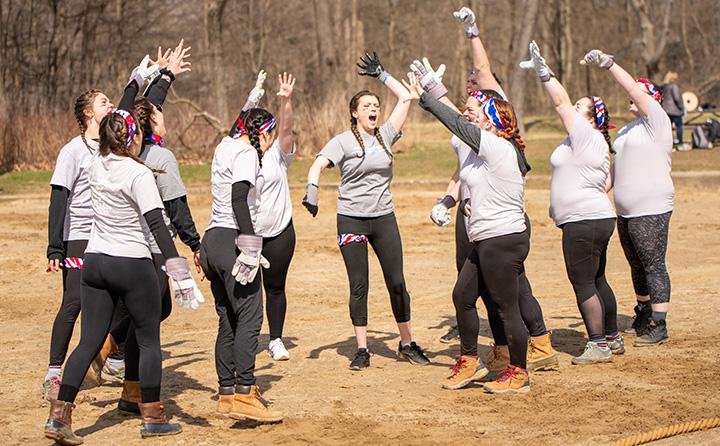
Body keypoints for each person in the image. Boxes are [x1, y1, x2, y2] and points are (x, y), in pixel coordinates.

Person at [44, 56, 204, 444]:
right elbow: (155, 225)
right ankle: (151, 416)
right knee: (148, 340)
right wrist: (178, 270)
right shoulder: (139, 172)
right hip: (132, 263)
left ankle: (60, 415)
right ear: (132, 137)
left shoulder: (96, 161)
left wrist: (142, 81)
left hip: (96, 262)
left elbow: (116, 117)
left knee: (88, 341)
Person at [432, 7, 558, 377]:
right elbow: (462, 166)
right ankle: (504, 349)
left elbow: (484, 72)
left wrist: (473, 33)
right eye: (468, 84)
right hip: (473, 212)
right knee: (476, 287)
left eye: (476, 83)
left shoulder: (495, 123)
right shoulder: (471, 122)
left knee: (511, 288)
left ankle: (535, 343)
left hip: (499, 220)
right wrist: (447, 199)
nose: (471, 83)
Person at [404, 61, 532, 393]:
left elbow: (456, 123)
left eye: (477, 110)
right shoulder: (478, 152)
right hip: (485, 237)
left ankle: (519, 373)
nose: (470, 114)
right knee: (462, 295)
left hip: (502, 238)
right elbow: (461, 125)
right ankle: (470, 361)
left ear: (492, 118)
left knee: (506, 308)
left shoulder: (497, 145)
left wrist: (426, 98)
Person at [302, 52, 429, 371]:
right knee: (359, 285)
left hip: (384, 218)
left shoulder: (387, 135)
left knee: (397, 282)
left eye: (376, 106)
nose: (374, 109)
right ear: (354, 113)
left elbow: (406, 97)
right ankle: (362, 349)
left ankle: (407, 343)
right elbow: (318, 164)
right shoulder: (343, 141)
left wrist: (382, 75)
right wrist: (312, 191)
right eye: (367, 107)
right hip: (351, 220)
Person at [111, 41, 198, 415]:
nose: (163, 115)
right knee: (150, 317)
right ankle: (137, 394)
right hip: (152, 247)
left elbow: (133, 112)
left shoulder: (118, 151)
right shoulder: (160, 158)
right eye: (159, 113)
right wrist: (195, 244)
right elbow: (177, 209)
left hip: (122, 245)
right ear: (151, 124)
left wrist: (163, 76)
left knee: (153, 310)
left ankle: (121, 365)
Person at [521, 41, 620, 365]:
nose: (573, 109)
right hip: (594, 217)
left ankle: (598, 344)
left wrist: (545, 74)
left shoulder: (585, 135)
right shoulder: (591, 142)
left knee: (582, 282)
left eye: (581, 107)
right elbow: (604, 183)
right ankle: (612, 336)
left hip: (584, 221)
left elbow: (561, 103)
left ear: (590, 118)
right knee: (597, 279)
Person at [583, 49, 673, 347]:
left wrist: (610, 64)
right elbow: (615, 168)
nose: (630, 96)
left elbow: (632, 88)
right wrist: (596, 192)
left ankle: (659, 324)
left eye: (639, 92)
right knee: (636, 264)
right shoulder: (625, 131)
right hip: (625, 210)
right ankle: (644, 311)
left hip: (651, 208)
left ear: (652, 100)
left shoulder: (657, 121)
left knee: (653, 264)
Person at [200, 103, 283, 422]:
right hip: (233, 240)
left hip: (212, 240)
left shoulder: (224, 145)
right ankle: (245, 393)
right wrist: (249, 244)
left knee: (228, 321)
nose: (271, 143)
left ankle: (226, 394)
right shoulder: (248, 153)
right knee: (250, 317)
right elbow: (238, 199)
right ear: (263, 133)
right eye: (270, 136)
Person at [231, 71, 298, 362]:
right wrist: (252, 96)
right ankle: (242, 338)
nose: (271, 135)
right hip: (249, 233)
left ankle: (276, 339)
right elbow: (235, 128)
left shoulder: (278, 154)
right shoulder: (241, 152)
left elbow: (288, 131)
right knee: (245, 289)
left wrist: (286, 101)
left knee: (275, 287)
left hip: (280, 231)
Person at [661, 71, 685, 146]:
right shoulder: (674, 86)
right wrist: (681, 107)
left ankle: (668, 142)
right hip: (675, 110)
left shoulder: (663, 86)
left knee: (668, 127)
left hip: (666, 109)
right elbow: (677, 98)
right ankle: (680, 141)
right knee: (679, 126)